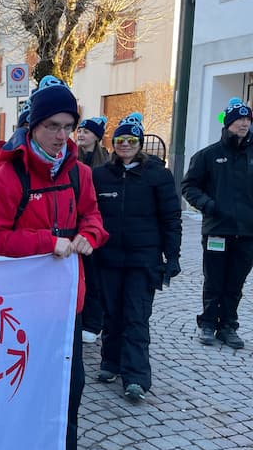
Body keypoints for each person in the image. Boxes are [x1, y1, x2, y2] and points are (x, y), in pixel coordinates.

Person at [0, 75, 107, 450]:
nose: (60, 136)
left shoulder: (80, 174)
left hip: (67, 301)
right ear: (33, 126)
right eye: (52, 126)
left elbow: (93, 216)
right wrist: (44, 242)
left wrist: (90, 235)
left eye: (68, 126)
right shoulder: (8, 175)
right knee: (21, 382)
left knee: (70, 384)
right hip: (20, 305)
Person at [92, 113, 182, 402]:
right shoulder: (101, 175)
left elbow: (171, 218)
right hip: (109, 257)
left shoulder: (157, 175)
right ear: (113, 143)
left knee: (135, 316)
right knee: (111, 312)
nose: (126, 145)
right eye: (120, 140)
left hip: (143, 259)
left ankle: (136, 377)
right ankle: (111, 362)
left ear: (140, 143)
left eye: (132, 140)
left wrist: (173, 255)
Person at [182, 97, 253, 349]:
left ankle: (228, 326)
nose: (244, 123)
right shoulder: (208, 155)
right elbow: (189, 186)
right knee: (214, 280)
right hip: (217, 230)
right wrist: (209, 205)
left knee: (235, 283)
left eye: (247, 119)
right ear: (228, 123)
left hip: (247, 232)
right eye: (239, 119)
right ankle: (208, 323)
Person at [75, 116, 110, 344]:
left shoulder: (105, 162)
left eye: (86, 131)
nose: (81, 134)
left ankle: (94, 322)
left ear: (96, 137)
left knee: (95, 277)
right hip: (75, 226)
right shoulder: (70, 159)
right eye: (79, 130)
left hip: (96, 225)